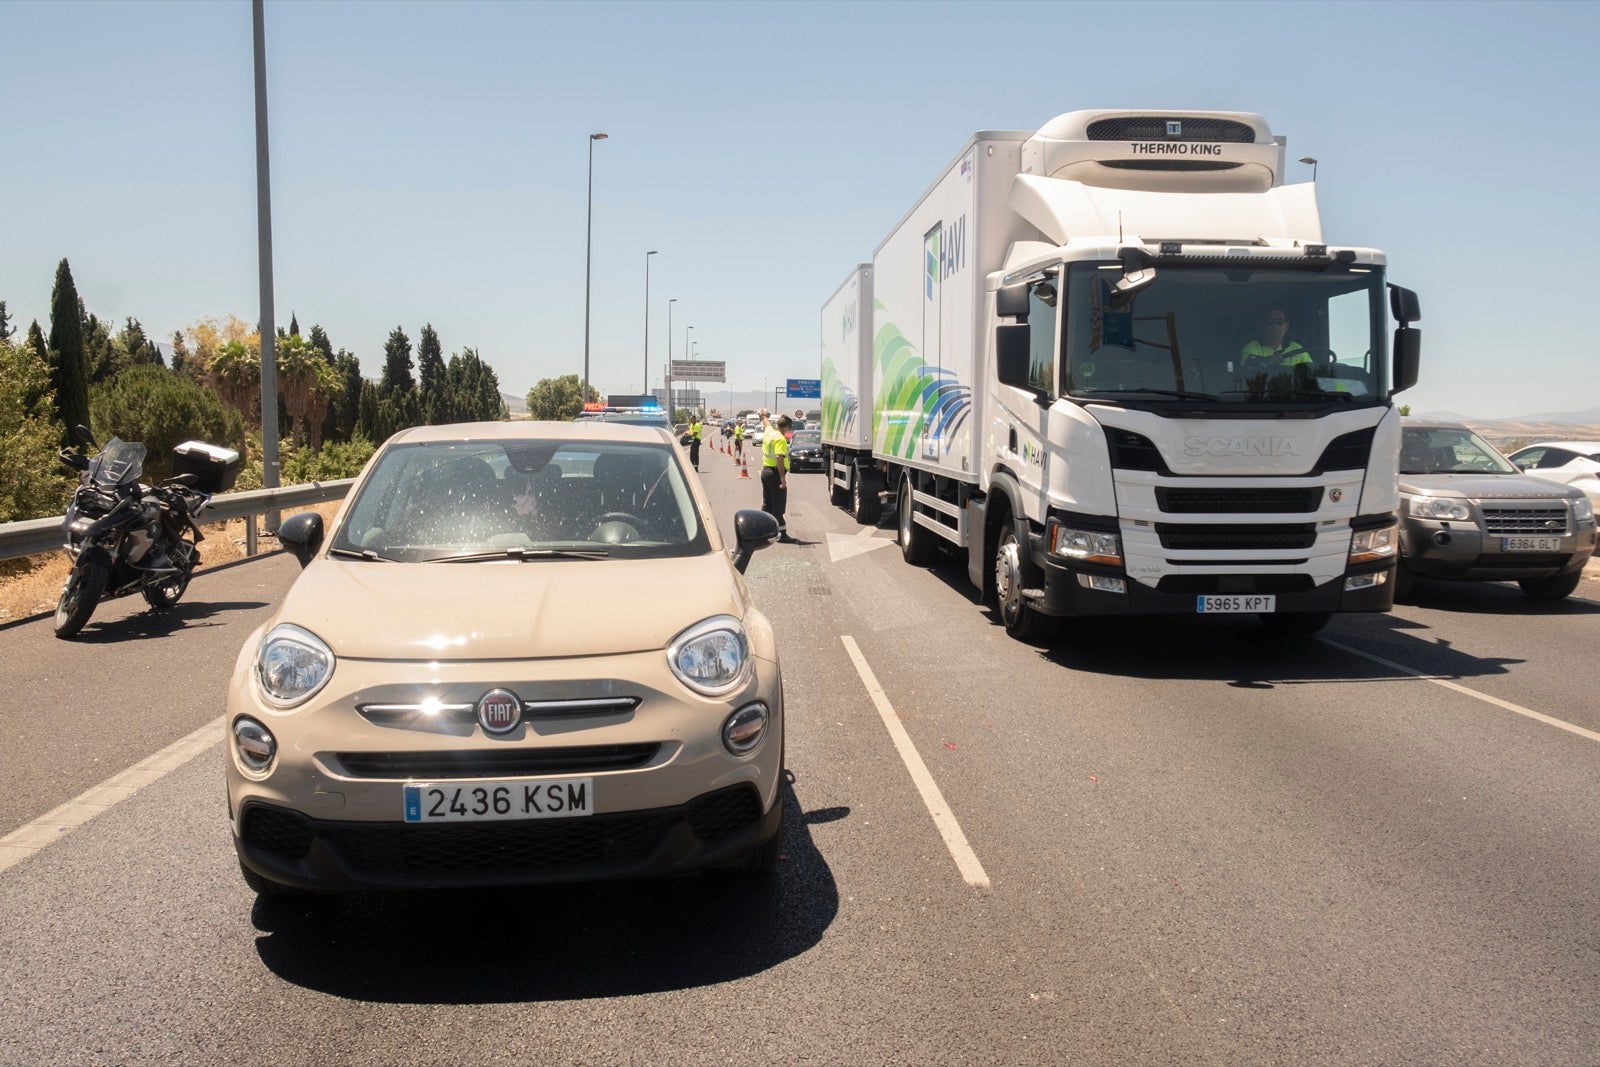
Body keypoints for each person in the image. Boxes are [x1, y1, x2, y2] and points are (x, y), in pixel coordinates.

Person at [1239, 309, 1310, 371]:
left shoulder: (1298, 349)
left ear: (1286, 326)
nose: (1274, 326)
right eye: (1270, 322)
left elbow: (1311, 373)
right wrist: (1268, 361)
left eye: (1279, 322)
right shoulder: (1251, 348)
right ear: (1263, 326)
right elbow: (1245, 372)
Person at [761, 413, 794, 542]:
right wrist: (782, 478)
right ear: (786, 427)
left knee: (767, 505)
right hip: (775, 474)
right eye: (789, 427)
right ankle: (781, 535)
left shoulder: (770, 432)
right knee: (778, 507)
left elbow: (766, 423)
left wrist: (763, 415)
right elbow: (779, 457)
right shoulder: (780, 438)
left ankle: (764, 530)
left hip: (765, 472)